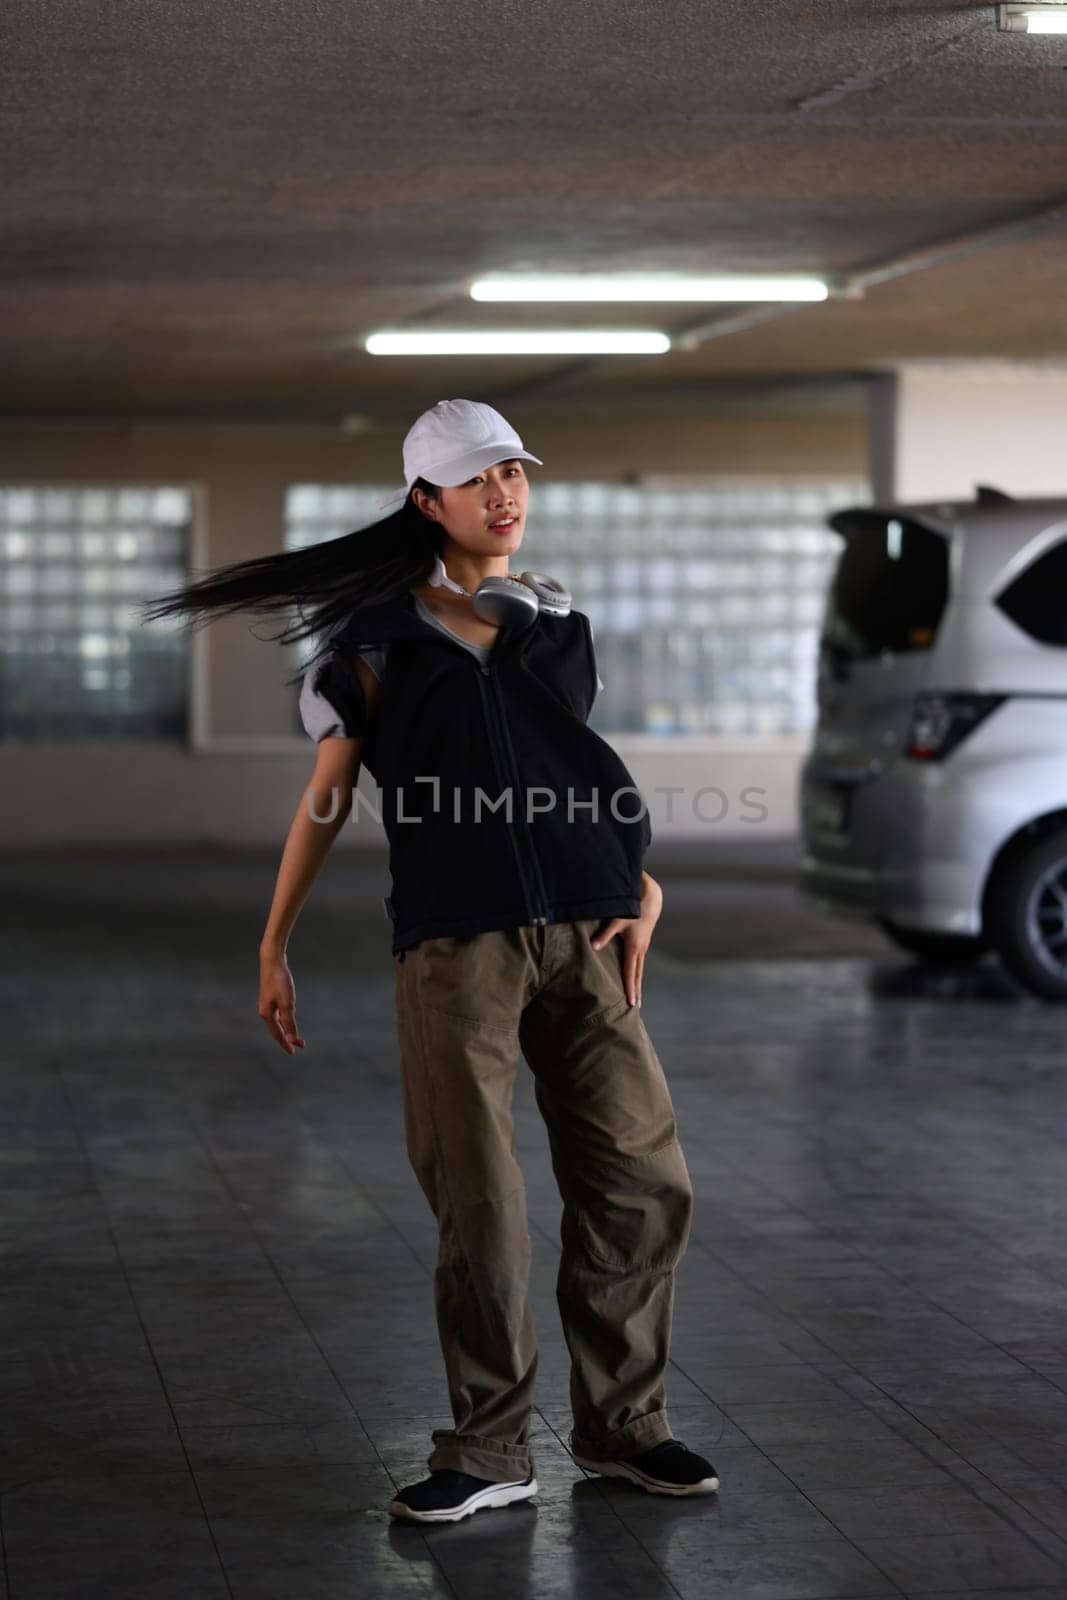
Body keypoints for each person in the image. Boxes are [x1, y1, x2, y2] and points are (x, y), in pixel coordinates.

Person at [141, 398, 718, 1524]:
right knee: (482, 1204)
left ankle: (624, 1427)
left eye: (513, 471)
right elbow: (325, 797)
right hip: (458, 950)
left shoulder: (557, 625)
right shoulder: (371, 644)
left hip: (590, 936)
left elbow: (579, 770)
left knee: (643, 1184)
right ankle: (491, 1445)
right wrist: (274, 938)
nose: (503, 493)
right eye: (476, 477)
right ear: (425, 500)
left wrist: (639, 878)